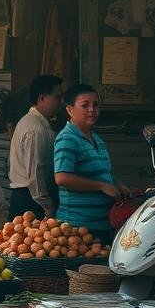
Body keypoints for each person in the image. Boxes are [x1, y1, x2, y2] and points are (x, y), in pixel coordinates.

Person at [54, 84, 129, 242]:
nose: (92, 110)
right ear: (69, 109)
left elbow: (103, 175)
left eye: (96, 105)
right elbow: (62, 178)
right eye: (85, 105)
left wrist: (117, 184)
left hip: (102, 225)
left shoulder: (96, 139)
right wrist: (101, 186)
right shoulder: (67, 139)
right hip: (77, 228)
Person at [8, 75, 63, 218]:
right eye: (57, 97)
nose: (60, 102)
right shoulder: (35, 129)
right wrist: (47, 206)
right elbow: (35, 174)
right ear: (42, 98)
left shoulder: (37, 124)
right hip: (30, 201)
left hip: (31, 197)